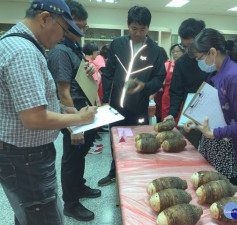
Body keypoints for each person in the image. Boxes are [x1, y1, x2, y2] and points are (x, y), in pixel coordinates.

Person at [0, 0, 97, 224]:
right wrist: (80, 118)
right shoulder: (23, 52)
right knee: (43, 216)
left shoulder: (22, 45)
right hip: (26, 159)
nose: (63, 38)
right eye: (63, 30)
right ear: (45, 18)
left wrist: (61, 108)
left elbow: (27, 105)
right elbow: (34, 118)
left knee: (29, 213)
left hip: (21, 156)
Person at [98, 5, 166, 186]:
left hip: (139, 108)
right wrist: (105, 100)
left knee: (139, 143)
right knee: (119, 142)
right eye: (134, 28)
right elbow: (108, 73)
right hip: (116, 108)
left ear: (148, 28)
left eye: (142, 29)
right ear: (128, 26)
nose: (137, 33)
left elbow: (160, 78)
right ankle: (115, 172)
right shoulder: (117, 45)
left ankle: (135, 176)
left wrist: (145, 86)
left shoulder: (155, 51)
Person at [184, 28, 237, 194]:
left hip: (229, 157)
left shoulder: (236, 79)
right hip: (213, 150)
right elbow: (221, 111)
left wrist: (214, 133)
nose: (199, 62)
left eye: (199, 58)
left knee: (228, 206)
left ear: (212, 52)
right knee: (210, 198)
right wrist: (197, 122)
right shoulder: (219, 73)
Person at [48, 0, 101, 221]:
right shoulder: (61, 51)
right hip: (74, 117)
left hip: (83, 114)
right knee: (71, 159)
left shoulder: (74, 48)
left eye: (85, 26)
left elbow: (78, 79)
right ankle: (70, 203)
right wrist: (73, 127)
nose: (82, 30)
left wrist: (88, 67)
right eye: (78, 25)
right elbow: (63, 92)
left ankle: (79, 187)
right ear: (65, 24)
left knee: (80, 157)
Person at [164, 18, 209, 149]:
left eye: (191, 45)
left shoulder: (212, 59)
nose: (188, 50)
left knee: (210, 153)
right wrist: (172, 113)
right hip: (192, 113)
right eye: (184, 47)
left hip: (214, 114)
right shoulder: (182, 62)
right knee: (189, 149)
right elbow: (176, 91)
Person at [161, 43, 185, 123]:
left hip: (179, 98)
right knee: (166, 122)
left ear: (184, 52)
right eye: (173, 52)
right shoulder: (167, 65)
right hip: (167, 97)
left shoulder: (185, 66)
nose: (174, 54)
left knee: (179, 121)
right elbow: (161, 81)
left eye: (177, 51)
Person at [153, 47, 169, 123]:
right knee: (159, 115)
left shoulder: (166, 65)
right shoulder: (159, 65)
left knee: (161, 117)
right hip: (159, 97)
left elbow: (161, 83)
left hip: (163, 96)